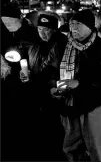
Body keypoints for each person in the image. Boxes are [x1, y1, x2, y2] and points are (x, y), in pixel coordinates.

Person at [47, 9, 101, 162]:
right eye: (71, 24)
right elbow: (51, 69)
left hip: (92, 105)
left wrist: (80, 83)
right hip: (67, 103)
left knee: (96, 148)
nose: (73, 28)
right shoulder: (61, 45)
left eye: (78, 24)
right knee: (70, 146)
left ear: (89, 26)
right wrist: (51, 87)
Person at [23, 11, 68, 160]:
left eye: (46, 29)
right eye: (39, 29)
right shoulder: (34, 45)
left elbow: (55, 69)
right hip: (38, 95)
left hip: (55, 94)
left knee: (55, 133)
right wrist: (24, 74)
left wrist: (58, 89)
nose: (42, 33)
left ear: (54, 29)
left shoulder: (61, 43)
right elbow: (32, 67)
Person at [1, 4, 42, 161]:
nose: (8, 25)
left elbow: (40, 55)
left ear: (20, 19)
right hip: (8, 83)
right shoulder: (3, 34)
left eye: (11, 22)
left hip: (29, 84)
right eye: (4, 22)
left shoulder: (32, 34)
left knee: (28, 122)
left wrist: (31, 70)